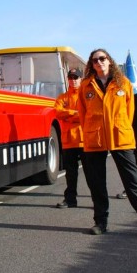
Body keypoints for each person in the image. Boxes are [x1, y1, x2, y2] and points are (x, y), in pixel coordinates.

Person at [77, 48, 137, 239]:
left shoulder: (123, 84)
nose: (99, 62)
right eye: (95, 60)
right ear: (92, 64)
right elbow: (82, 115)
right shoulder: (85, 86)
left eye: (102, 58)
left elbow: (129, 113)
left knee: (133, 184)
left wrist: (120, 129)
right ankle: (101, 222)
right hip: (94, 139)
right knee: (97, 184)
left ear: (110, 61)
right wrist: (92, 130)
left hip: (120, 138)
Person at [55, 68, 84, 209]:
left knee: (93, 173)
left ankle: (99, 202)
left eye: (76, 77)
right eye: (71, 77)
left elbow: (88, 112)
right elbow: (58, 112)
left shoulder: (86, 95)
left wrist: (69, 115)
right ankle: (70, 200)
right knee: (70, 174)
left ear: (81, 79)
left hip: (85, 140)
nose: (73, 80)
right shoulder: (62, 97)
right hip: (68, 141)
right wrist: (76, 114)